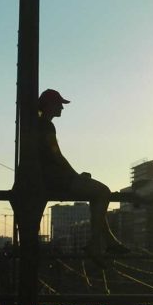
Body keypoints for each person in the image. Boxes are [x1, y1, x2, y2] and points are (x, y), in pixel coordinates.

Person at [37, 89, 129, 255]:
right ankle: (96, 243)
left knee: (96, 195)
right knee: (103, 191)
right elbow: (56, 155)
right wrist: (74, 175)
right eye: (59, 104)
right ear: (50, 105)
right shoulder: (46, 125)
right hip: (57, 179)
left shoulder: (39, 124)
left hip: (50, 178)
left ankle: (108, 241)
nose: (62, 108)